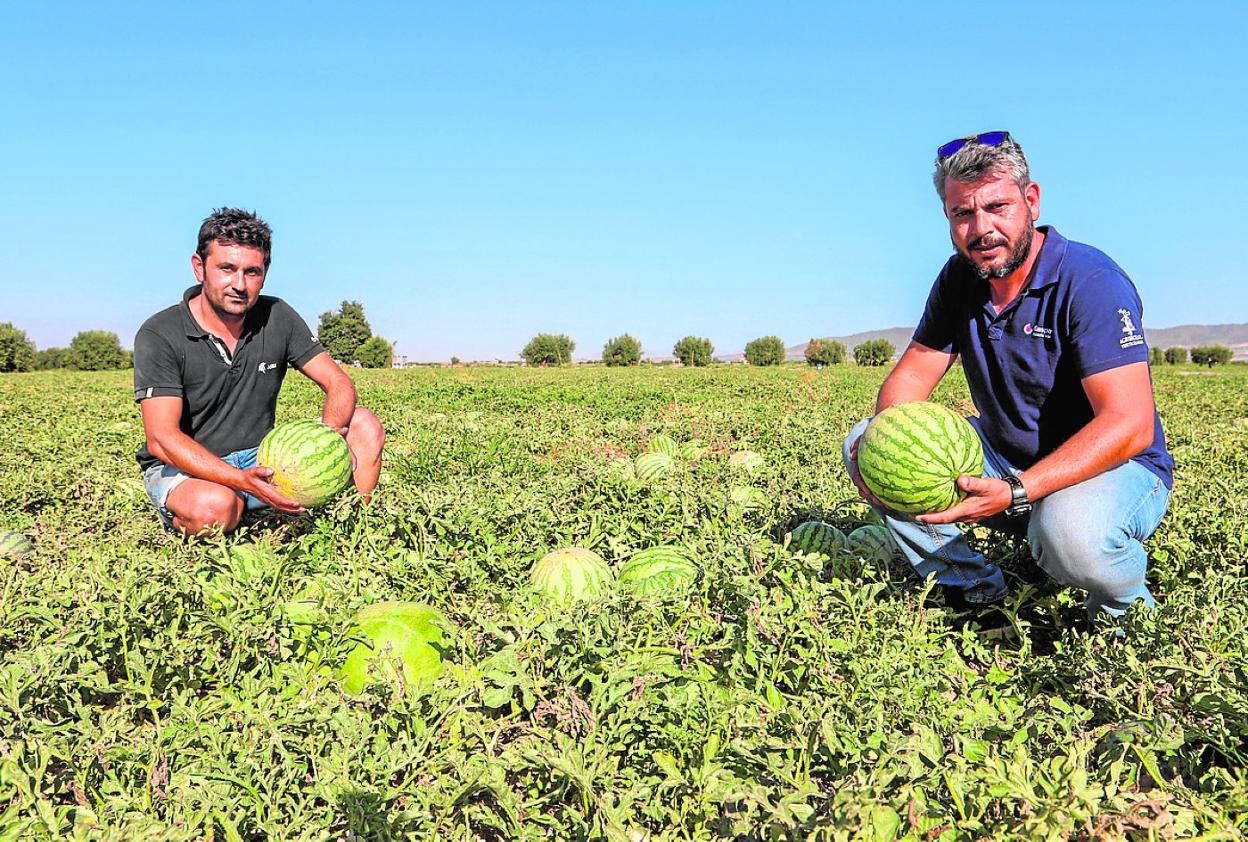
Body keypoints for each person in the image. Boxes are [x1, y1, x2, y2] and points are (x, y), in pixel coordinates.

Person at [843, 131, 1173, 622]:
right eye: (963, 213)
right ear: (948, 218)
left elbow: (1128, 423)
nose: (982, 228)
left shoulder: (1090, 280)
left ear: (1031, 200)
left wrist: (1021, 491)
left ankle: (1125, 617)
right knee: (866, 440)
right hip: (1008, 458)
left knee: (1070, 534)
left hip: (1116, 467)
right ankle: (976, 593)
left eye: (997, 206)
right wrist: (883, 452)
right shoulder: (960, 279)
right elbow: (910, 378)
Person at [134, 208, 385, 537]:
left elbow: (338, 382)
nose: (239, 284)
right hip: (191, 466)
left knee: (364, 424)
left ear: (264, 273)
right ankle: (206, 516)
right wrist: (237, 480)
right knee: (215, 508)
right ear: (200, 267)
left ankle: (356, 531)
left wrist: (329, 435)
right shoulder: (160, 333)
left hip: (261, 456)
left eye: (252, 272)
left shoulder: (276, 316)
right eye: (227, 269)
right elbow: (162, 439)